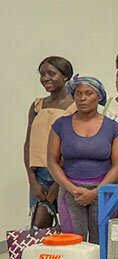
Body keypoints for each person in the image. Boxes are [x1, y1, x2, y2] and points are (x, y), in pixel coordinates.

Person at [47, 76, 118, 244]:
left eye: (88, 93)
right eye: (78, 93)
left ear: (99, 97)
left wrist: (96, 192)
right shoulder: (60, 125)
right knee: (73, 243)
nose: (83, 98)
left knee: (102, 244)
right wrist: (73, 189)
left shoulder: (113, 128)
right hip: (70, 192)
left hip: (104, 192)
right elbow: (52, 162)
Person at [25, 56, 75, 227]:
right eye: (42, 74)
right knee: (39, 227)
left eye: (51, 73)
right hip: (39, 174)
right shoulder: (37, 105)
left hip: (66, 173)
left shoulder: (75, 107)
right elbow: (28, 143)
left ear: (66, 76)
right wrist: (32, 179)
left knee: (69, 227)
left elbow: (75, 147)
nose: (45, 78)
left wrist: (58, 182)